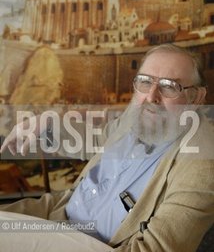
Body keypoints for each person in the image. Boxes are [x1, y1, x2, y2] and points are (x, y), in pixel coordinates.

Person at [0, 44, 213, 252]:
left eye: (169, 86)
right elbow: (99, 140)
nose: (151, 96)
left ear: (196, 97)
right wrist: (47, 123)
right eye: (145, 81)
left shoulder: (203, 163)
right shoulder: (136, 117)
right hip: (57, 214)